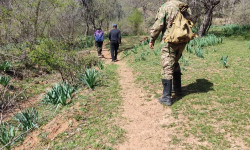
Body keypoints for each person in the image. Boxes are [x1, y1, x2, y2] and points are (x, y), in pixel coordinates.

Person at [149, 0, 192, 106]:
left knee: (167, 66)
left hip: (169, 40)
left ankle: (166, 97)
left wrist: (152, 38)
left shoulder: (166, 6)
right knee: (175, 63)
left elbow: (159, 24)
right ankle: (177, 90)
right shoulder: (184, 6)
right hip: (182, 41)